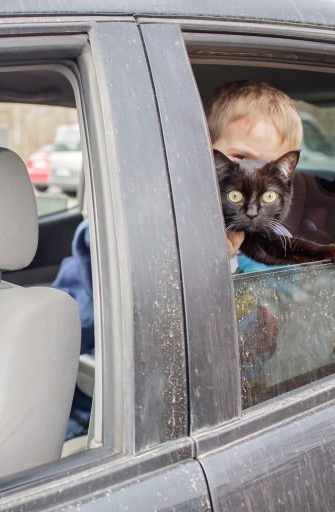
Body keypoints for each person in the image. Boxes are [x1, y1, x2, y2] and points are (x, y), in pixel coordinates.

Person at [55, 80, 302, 435]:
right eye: (240, 158)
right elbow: (72, 328)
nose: (250, 179)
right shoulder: (132, 230)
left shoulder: (277, 248)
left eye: (268, 168)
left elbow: (262, 345)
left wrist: (225, 267)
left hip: (224, 413)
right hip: (102, 409)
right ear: (203, 152)